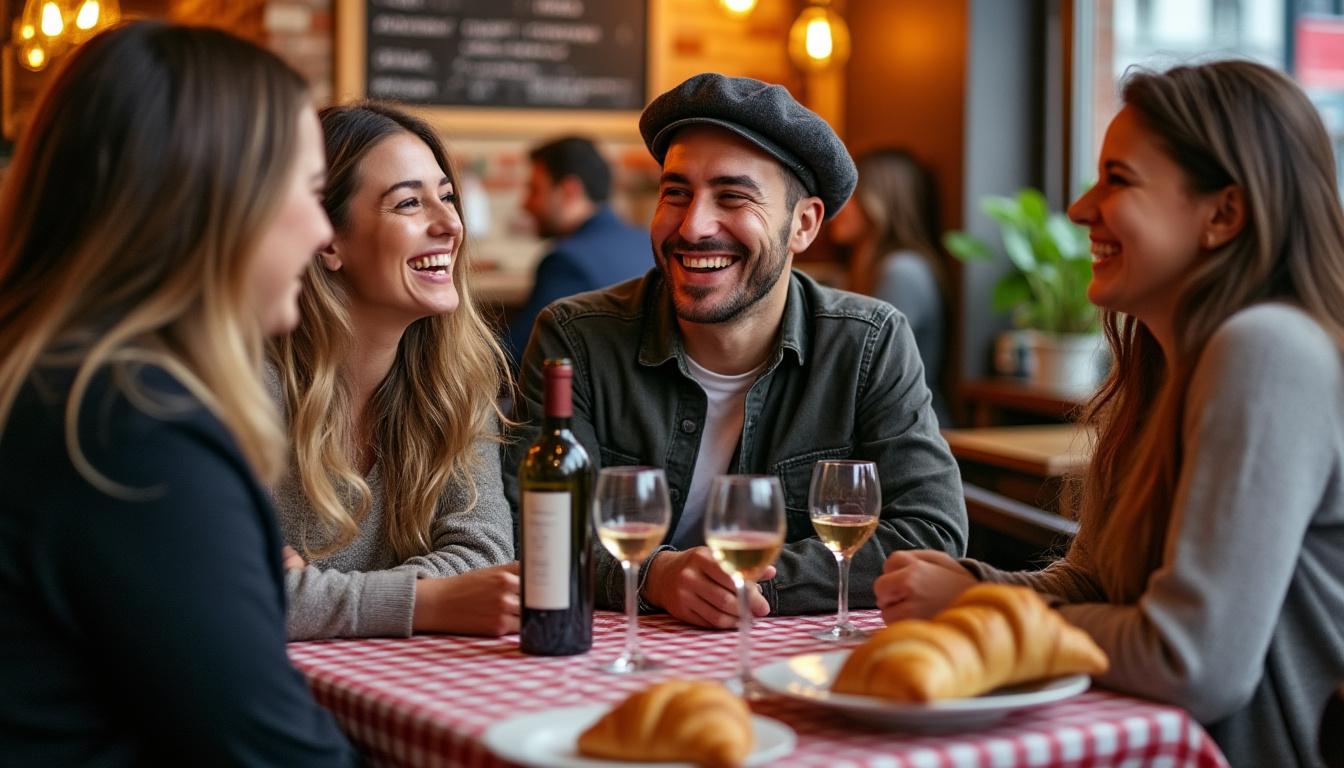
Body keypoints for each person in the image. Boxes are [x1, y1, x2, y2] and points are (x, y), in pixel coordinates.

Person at [873, 60, 1344, 767]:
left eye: (1118, 180)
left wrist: (972, 607)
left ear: (1223, 215)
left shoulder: (1269, 350)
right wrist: (971, 584)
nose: (1080, 209)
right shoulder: (1159, 370)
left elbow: (1191, 662)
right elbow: (1091, 584)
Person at [0, 22, 355, 765]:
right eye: (309, 191)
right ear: (211, 200)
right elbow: (278, 756)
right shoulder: (129, 428)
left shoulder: (54, 384)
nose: (322, 229)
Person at [504, 73, 967, 629]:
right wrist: (657, 576)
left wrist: (741, 580)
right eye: (676, 193)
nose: (694, 225)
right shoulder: (575, 338)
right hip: (610, 658)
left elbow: (930, 534)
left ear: (803, 225)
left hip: (794, 663)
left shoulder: (869, 343)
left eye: (733, 196)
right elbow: (533, 529)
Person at [269, 102, 518, 641]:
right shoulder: (252, 386)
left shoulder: (456, 381)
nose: (450, 224)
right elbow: (240, 590)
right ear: (327, 240)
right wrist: (427, 601)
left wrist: (315, 595)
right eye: (408, 203)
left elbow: (487, 553)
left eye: (446, 197)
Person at [829, 149, 951, 425]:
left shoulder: (902, 271)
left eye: (851, 194)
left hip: (910, 428)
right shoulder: (862, 270)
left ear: (880, 202)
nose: (838, 203)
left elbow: (869, 363)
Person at [505, 136, 652, 363]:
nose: (525, 204)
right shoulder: (647, 243)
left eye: (535, 190)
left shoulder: (567, 262)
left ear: (569, 191)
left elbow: (517, 357)